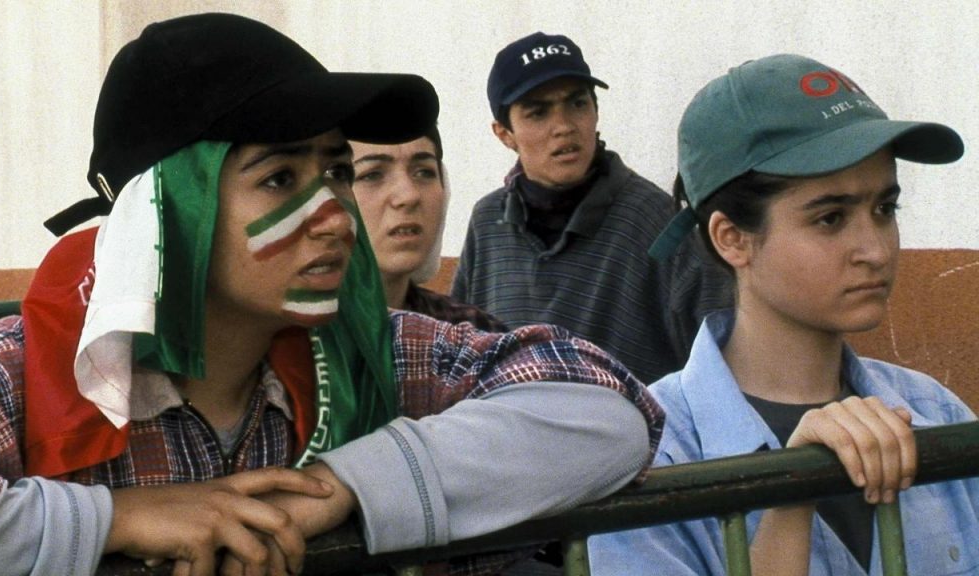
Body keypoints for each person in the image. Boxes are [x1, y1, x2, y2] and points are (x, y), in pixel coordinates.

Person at [0, 13, 665, 576]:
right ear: (167, 214)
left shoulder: (369, 347)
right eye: (279, 179)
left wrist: (342, 486)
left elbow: (609, 410)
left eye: (335, 172)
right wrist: (114, 519)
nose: (336, 217)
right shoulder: (12, 374)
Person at [588, 53, 977, 576]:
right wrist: (791, 499)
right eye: (831, 218)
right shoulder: (654, 454)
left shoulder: (936, 414)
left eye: (885, 209)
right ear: (732, 238)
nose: (875, 250)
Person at [451, 31, 733, 384]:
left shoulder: (654, 220)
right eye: (538, 112)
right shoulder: (488, 222)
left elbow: (724, 356)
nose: (564, 126)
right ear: (504, 134)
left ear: (596, 111)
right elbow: (458, 357)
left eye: (578, 103)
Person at [351, 125, 507, 331]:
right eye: (372, 175)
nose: (409, 195)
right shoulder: (309, 338)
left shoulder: (475, 333)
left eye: (424, 172)